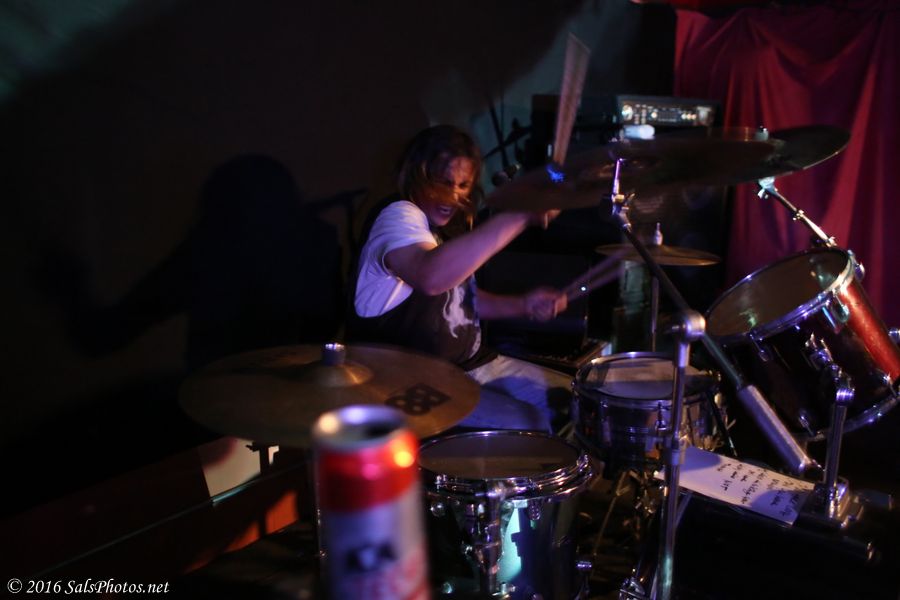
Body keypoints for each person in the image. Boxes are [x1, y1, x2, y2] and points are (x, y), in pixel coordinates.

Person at [348, 124, 572, 432]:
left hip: (471, 365)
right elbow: (430, 276)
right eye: (443, 182)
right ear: (417, 176)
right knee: (531, 424)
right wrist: (523, 213)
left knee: (576, 401)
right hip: (408, 381)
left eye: (463, 185)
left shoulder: (449, 226)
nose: (453, 196)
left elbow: (464, 301)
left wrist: (523, 305)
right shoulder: (398, 214)